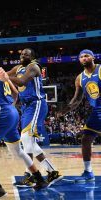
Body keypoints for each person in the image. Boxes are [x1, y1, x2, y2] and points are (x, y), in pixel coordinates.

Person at [0, 46, 48, 200]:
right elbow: (15, 89)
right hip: (11, 112)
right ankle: (39, 178)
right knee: (17, 151)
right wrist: (12, 104)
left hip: (1, 112)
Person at [6, 48, 63, 187]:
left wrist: (4, 77)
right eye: (21, 53)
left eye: (26, 54)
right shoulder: (17, 67)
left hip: (36, 104)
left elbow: (21, 82)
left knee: (26, 139)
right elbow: (3, 74)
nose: (23, 55)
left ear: (32, 57)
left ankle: (30, 175)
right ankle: (52, 171)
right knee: (31, 143)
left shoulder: (34, 67)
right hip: (26, 107)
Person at [57, 49, 100, 182]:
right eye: (81, 57)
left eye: (86, 56)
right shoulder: (79, 78)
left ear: (93, 57)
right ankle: (88, 172)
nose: (83, 58)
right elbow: (76, 100)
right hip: (97, 110)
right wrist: (64, 111)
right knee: (86, 138)